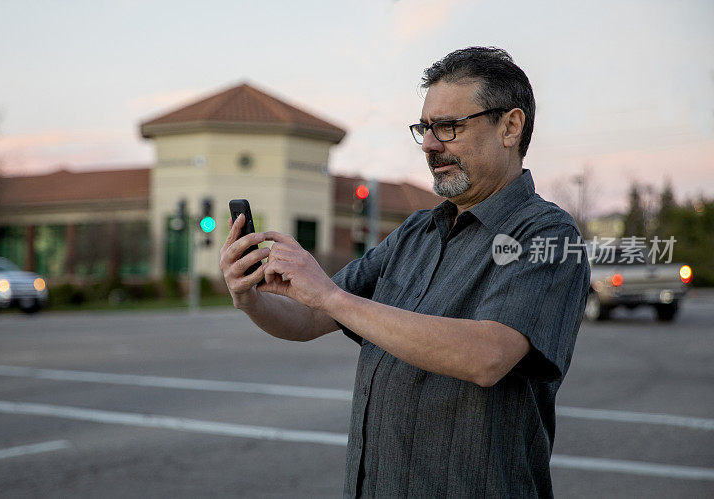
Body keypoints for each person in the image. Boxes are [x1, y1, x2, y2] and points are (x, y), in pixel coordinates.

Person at [220, 47, 590, 498]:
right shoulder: (416, 231)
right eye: (425, 128)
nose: (432, 144)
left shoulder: (548, 234)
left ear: (510, 127)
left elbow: (488, 355)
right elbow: (310, 319)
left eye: (449, 127)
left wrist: (331, 296)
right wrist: (252, 298)